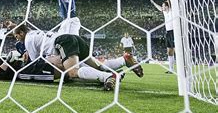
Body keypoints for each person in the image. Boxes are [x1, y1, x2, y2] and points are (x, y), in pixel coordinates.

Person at [12, 22, 144, 91]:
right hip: (74, 39)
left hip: (63, 42)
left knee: (72, 71)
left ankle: (109, 77)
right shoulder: (35, 32)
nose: (17, 39)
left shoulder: (28, 39)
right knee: (95, 64)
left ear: (22, 33)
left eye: (16, 36)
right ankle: (124, 60)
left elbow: (36, 62)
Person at [0, 43, 64, 82]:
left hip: (27, 64)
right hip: (22, 72)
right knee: (52, 70)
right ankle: (71, 73)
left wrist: (24, 54)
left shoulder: (3, 57)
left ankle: (72, 72)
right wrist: (7, 62)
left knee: (57, 60)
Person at [150, 0, 175, 74]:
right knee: (169, 52)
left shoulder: (171, 11)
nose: (162, 7)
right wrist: (153, 3)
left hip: (174, 32)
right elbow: (159, 8)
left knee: (176, 50)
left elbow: (170, 3)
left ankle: (182, 67)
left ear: (167, 6)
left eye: (164, 5)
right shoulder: (164, 12)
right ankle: (171, 69)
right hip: (168, 33)